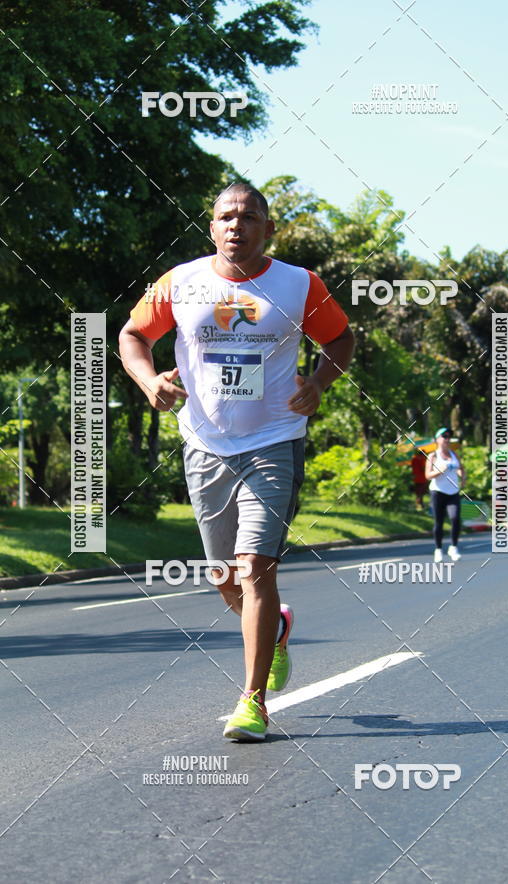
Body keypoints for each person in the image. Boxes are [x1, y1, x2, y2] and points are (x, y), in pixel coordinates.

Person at [119, 182, 355, 741]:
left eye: (249, 218)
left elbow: (341, 340)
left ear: (268, 229)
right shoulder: (180, 283)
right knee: (224, 578)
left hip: (274, 440)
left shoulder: (299, 285)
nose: (236, 226)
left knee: (255, 568)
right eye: (226, 217)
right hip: (205, 445)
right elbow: (132, 336)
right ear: (211, 227)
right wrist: (148, 378)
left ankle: (253, 702)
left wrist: (319, 384)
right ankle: (275, 631)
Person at [425, 427, 466, 563]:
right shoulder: (433, 456)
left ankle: (453, 548)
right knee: (439, 522)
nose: (447, 439)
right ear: (437, 439)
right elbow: (428, 475)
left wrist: (463, 478)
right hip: (438, 492)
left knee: (455, 518)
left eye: (449, 437)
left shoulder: (454, 454)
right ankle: (438, 549)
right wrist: (439, 471)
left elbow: (460, 468)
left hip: (453, 492)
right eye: (444, 436)